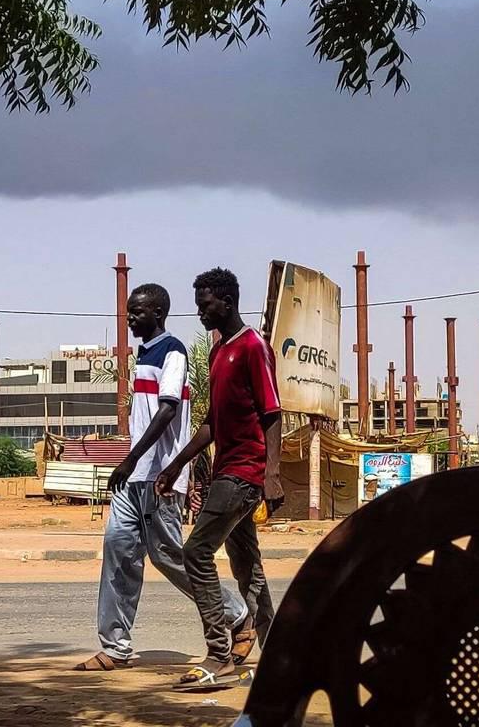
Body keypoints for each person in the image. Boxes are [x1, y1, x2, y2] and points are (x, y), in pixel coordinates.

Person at [75, 283, 247, 671]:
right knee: (118, 552)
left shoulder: (173, 351)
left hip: (160, 477)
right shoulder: (144, 354)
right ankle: (115, 645)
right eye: (128, 312)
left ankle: (236, 614)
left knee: (169, 557)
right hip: (134, 479)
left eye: (137, 312)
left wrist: (131, 459)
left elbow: (168, 410)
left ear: (157, 313)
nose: (131, 318)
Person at [157, 267, 282, 687]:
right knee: (247, 564)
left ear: (227, 303)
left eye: (205, 305)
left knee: (195, 552)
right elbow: (211, 423)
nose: (199, 313)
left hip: (246, 471)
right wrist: (177, 463)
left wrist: (273, 475)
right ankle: (278, 655)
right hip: (226, 469)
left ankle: (218, 652)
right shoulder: (217, 352)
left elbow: (272, 414)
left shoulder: (253, 346)